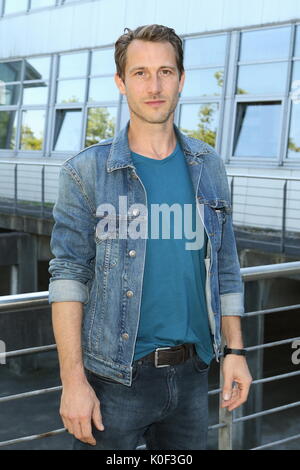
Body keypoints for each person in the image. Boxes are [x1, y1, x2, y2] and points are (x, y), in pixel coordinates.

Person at [48, 24, 252, 450]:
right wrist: (73, 382)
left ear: (181, 79)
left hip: (195, 375)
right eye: (140, 73)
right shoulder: (86, 172)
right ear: (121, 82)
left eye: (165, 71)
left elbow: (226, 269)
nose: (154, 85)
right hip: (114, 379)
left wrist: (235, 353)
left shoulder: (208, 166)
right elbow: (68, 277)